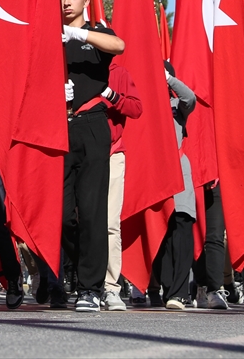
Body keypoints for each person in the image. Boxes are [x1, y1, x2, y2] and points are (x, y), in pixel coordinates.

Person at [59, 0, 125, 313]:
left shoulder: (97, 33)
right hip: (58, 129)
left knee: (92, 211)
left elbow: (119, 47)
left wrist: (78, 33)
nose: (67, 1)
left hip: (92, 127)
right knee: (61, 215)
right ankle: (83, 267)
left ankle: (90, 287)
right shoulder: (50, 37)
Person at [152, 63, 198, 310]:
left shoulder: (176, 106)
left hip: (179, 171)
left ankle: (179, 292)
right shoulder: (147, 105)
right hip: (155, 174)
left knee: (181, 226)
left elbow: (189, 97)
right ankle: (167, 287)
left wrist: (168, 78)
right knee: (162, 234)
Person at [101, 62, 143, 311]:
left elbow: (136, 108)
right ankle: (84, 283)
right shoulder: (69, 64)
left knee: (110, 224)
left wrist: (111, 95)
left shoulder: (118, 72)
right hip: (80, 151)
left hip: (112, 153)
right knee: (74, 220)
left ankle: (110, 287)